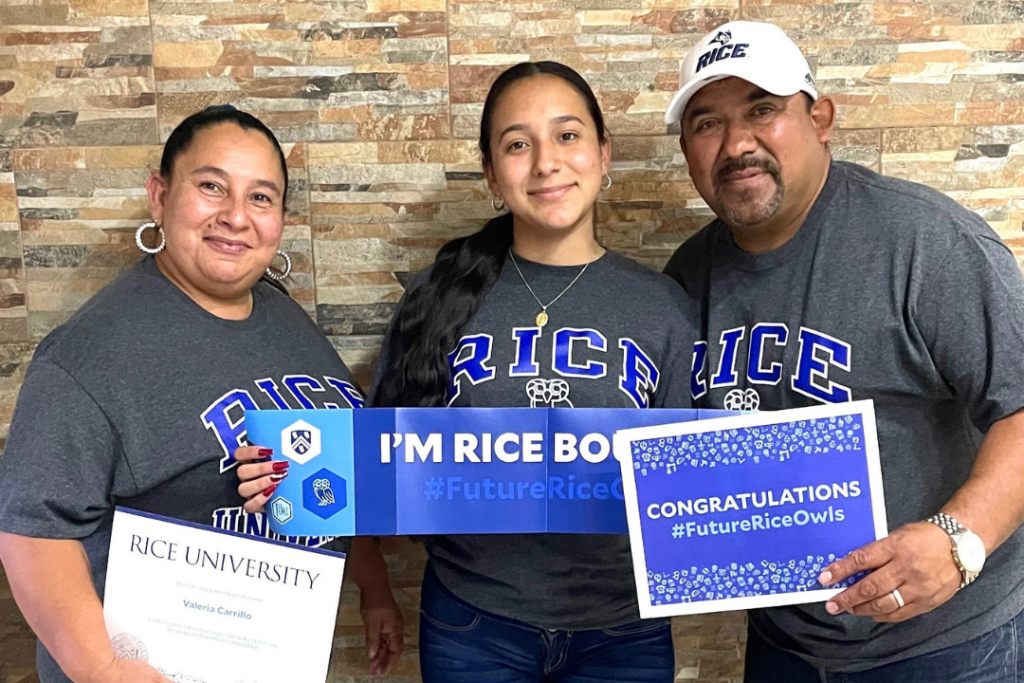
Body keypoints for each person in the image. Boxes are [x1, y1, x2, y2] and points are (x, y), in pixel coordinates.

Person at [238, 61, 699, 682]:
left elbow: (692, 485)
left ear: (604, 153)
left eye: (567, 136)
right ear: (490, 173)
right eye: (517, 144)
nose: (545, 162)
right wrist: (286, 477)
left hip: (624, 630)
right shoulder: (439, 295)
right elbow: (379, 460)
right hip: (474, 624)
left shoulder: (662, 306)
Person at [662, 20, 1024, 682]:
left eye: (762, 110)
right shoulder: (687, 275)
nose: (736, 143)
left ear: (820, 118)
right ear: (687, 147)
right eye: (707, 123)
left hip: (943, 644)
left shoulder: (925, 243)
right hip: (787, 643)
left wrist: (957, 541)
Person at [0, 106, 403, 683]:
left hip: (270, 656)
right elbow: (32, 529)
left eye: (261, 197)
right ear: (160, 196)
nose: (236, 216)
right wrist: (103, 669)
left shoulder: (284, 316)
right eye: (211, 186)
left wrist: (374, 585)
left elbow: (332, 470)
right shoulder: (91, 354)